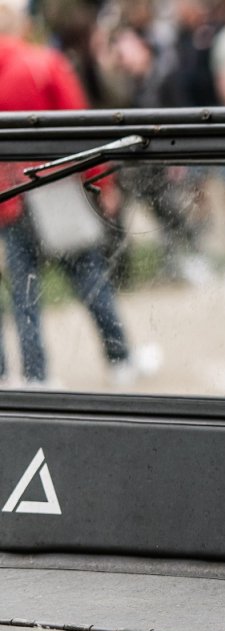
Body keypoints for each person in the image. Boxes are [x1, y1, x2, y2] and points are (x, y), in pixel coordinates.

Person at [0, 0, 154, 387]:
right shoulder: (42, 62)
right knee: (89, 276)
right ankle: (121, 360)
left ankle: (35, 376)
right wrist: (102, 182)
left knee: (24, 292)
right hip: (54, 186)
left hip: (8, 197)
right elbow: (79, 126)